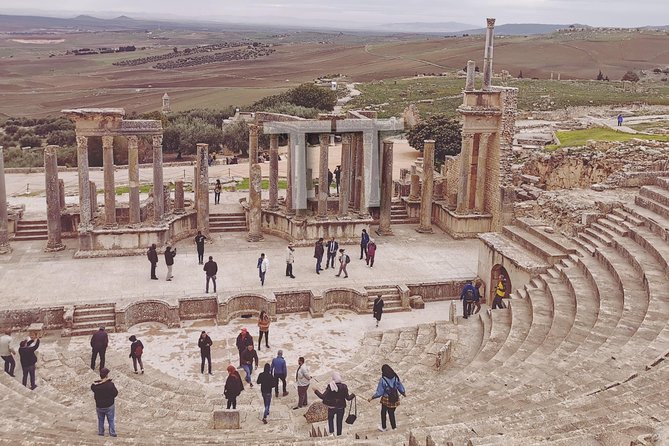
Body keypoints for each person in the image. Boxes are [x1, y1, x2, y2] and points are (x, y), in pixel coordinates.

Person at [314, 372, 355, 436]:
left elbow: (322, 397)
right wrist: (353, 395)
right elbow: (348, 398)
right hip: (341, 407)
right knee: (339, 422)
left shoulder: (330, 386)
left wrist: (316, 391)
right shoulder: (344, 387)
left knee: (330, 419)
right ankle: (339, 434)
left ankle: (331, 432)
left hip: (331, 407)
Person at [368, 364, 406, 432]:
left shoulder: (383, 379)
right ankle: (394, 427)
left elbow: (379, 392)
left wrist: (372, 398)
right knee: (391, 413)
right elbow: (400, 386)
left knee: (383, 413)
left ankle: (384, 427)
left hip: (386, 399)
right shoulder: (395, 377)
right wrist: (403, 393)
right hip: (395, 398)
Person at [91, 368, 118, 437]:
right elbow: (115, 393)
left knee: (100, 419)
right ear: (106, 375)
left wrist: (100, 382)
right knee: (111, 420)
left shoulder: (96, 386)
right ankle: (112, 433)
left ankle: (101, 432)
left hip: (99, 406)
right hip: (109, 405)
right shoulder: (110, 385)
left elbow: (92, 386)